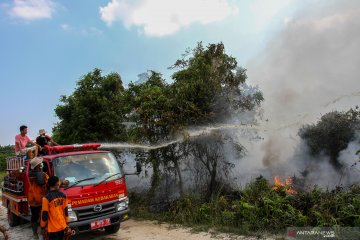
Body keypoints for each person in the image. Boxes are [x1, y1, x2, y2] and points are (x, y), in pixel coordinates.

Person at [41, 176, 72, 240]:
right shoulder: (64, 195)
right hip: (62, 226)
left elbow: (44, 215)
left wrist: (42, 226)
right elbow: (66, 211)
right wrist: (66, 223)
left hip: (52, 229)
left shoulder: (46, 198)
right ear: (57, 184)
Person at [28, 157, 49, 239]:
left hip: (32, 199)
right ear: (38, 166)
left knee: (34, 216)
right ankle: (44, 232)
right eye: (40, 164)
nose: (41, 165)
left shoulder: (30, 174)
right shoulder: (42, 175)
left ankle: (35, 234)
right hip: (41, 198)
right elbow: (50, 182)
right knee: (43, 216)